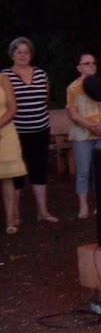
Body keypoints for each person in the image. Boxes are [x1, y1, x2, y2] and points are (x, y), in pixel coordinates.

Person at [3, 37, 58, 223]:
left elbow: (45, 98)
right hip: (16, 132)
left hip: (40, 128)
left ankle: (42, 211)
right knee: (16, 172)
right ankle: (14, 214)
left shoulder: (41, 74)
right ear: (12, 54)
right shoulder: (4, 76)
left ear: (31, 54)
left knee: (39, 169)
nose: (23, 55)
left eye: (26, 52)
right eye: (19, 52)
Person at [66, 52, 101, 219]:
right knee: (83, 171)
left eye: (93, 62)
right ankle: (83, 206)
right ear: (79, 67)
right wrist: (89, 126)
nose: (91, 65)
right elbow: (72, 113)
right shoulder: (73, 88)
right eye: (87, 63)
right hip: (81, 135)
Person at [0, 71, 27, 233]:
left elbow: (12, 107)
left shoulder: (3, 78)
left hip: (5, 131)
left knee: (7, 177)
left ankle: (10, 220)